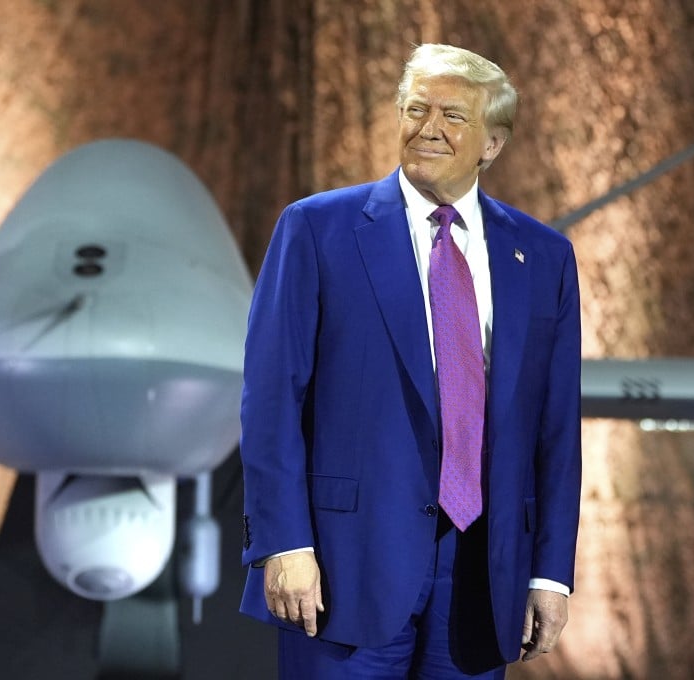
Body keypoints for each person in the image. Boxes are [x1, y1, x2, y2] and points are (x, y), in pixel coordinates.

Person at [238, 43, 582, 679]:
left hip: (483, 577)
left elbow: (556, 428)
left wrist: (550, 574)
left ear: (492, 144)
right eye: (416, 109)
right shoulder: (316, 229)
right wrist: (283, 543)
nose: (429, 128)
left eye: (453, 116)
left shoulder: (543, 256)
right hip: (343, 570)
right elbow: (271, 399)